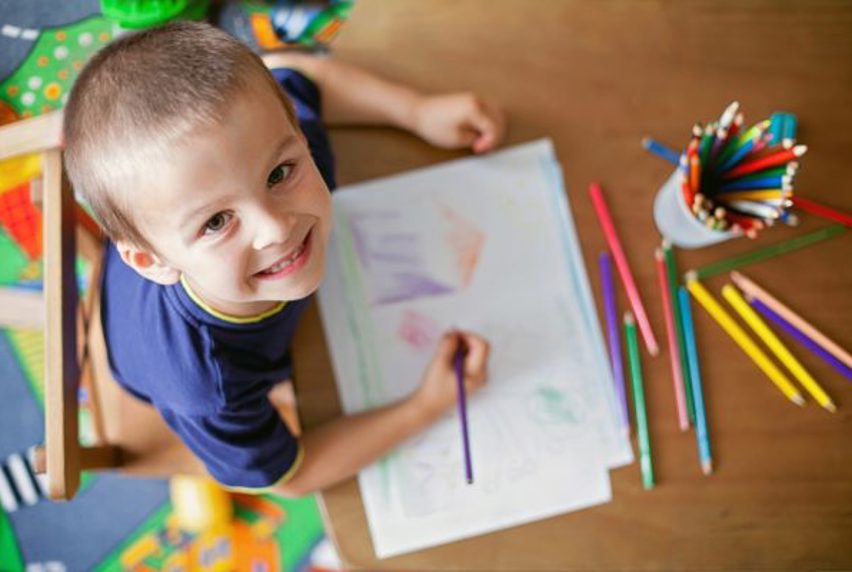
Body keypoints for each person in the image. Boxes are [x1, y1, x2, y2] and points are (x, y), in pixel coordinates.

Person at [63, 21, 505, 496]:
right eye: (216, 222)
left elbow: (297, 73)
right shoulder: (207, 390)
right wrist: (424, 406)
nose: (276, 228)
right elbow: (292, 476)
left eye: (279, 173)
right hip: (146, 352)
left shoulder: (262, 142)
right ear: (155, 262)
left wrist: (416, 111)